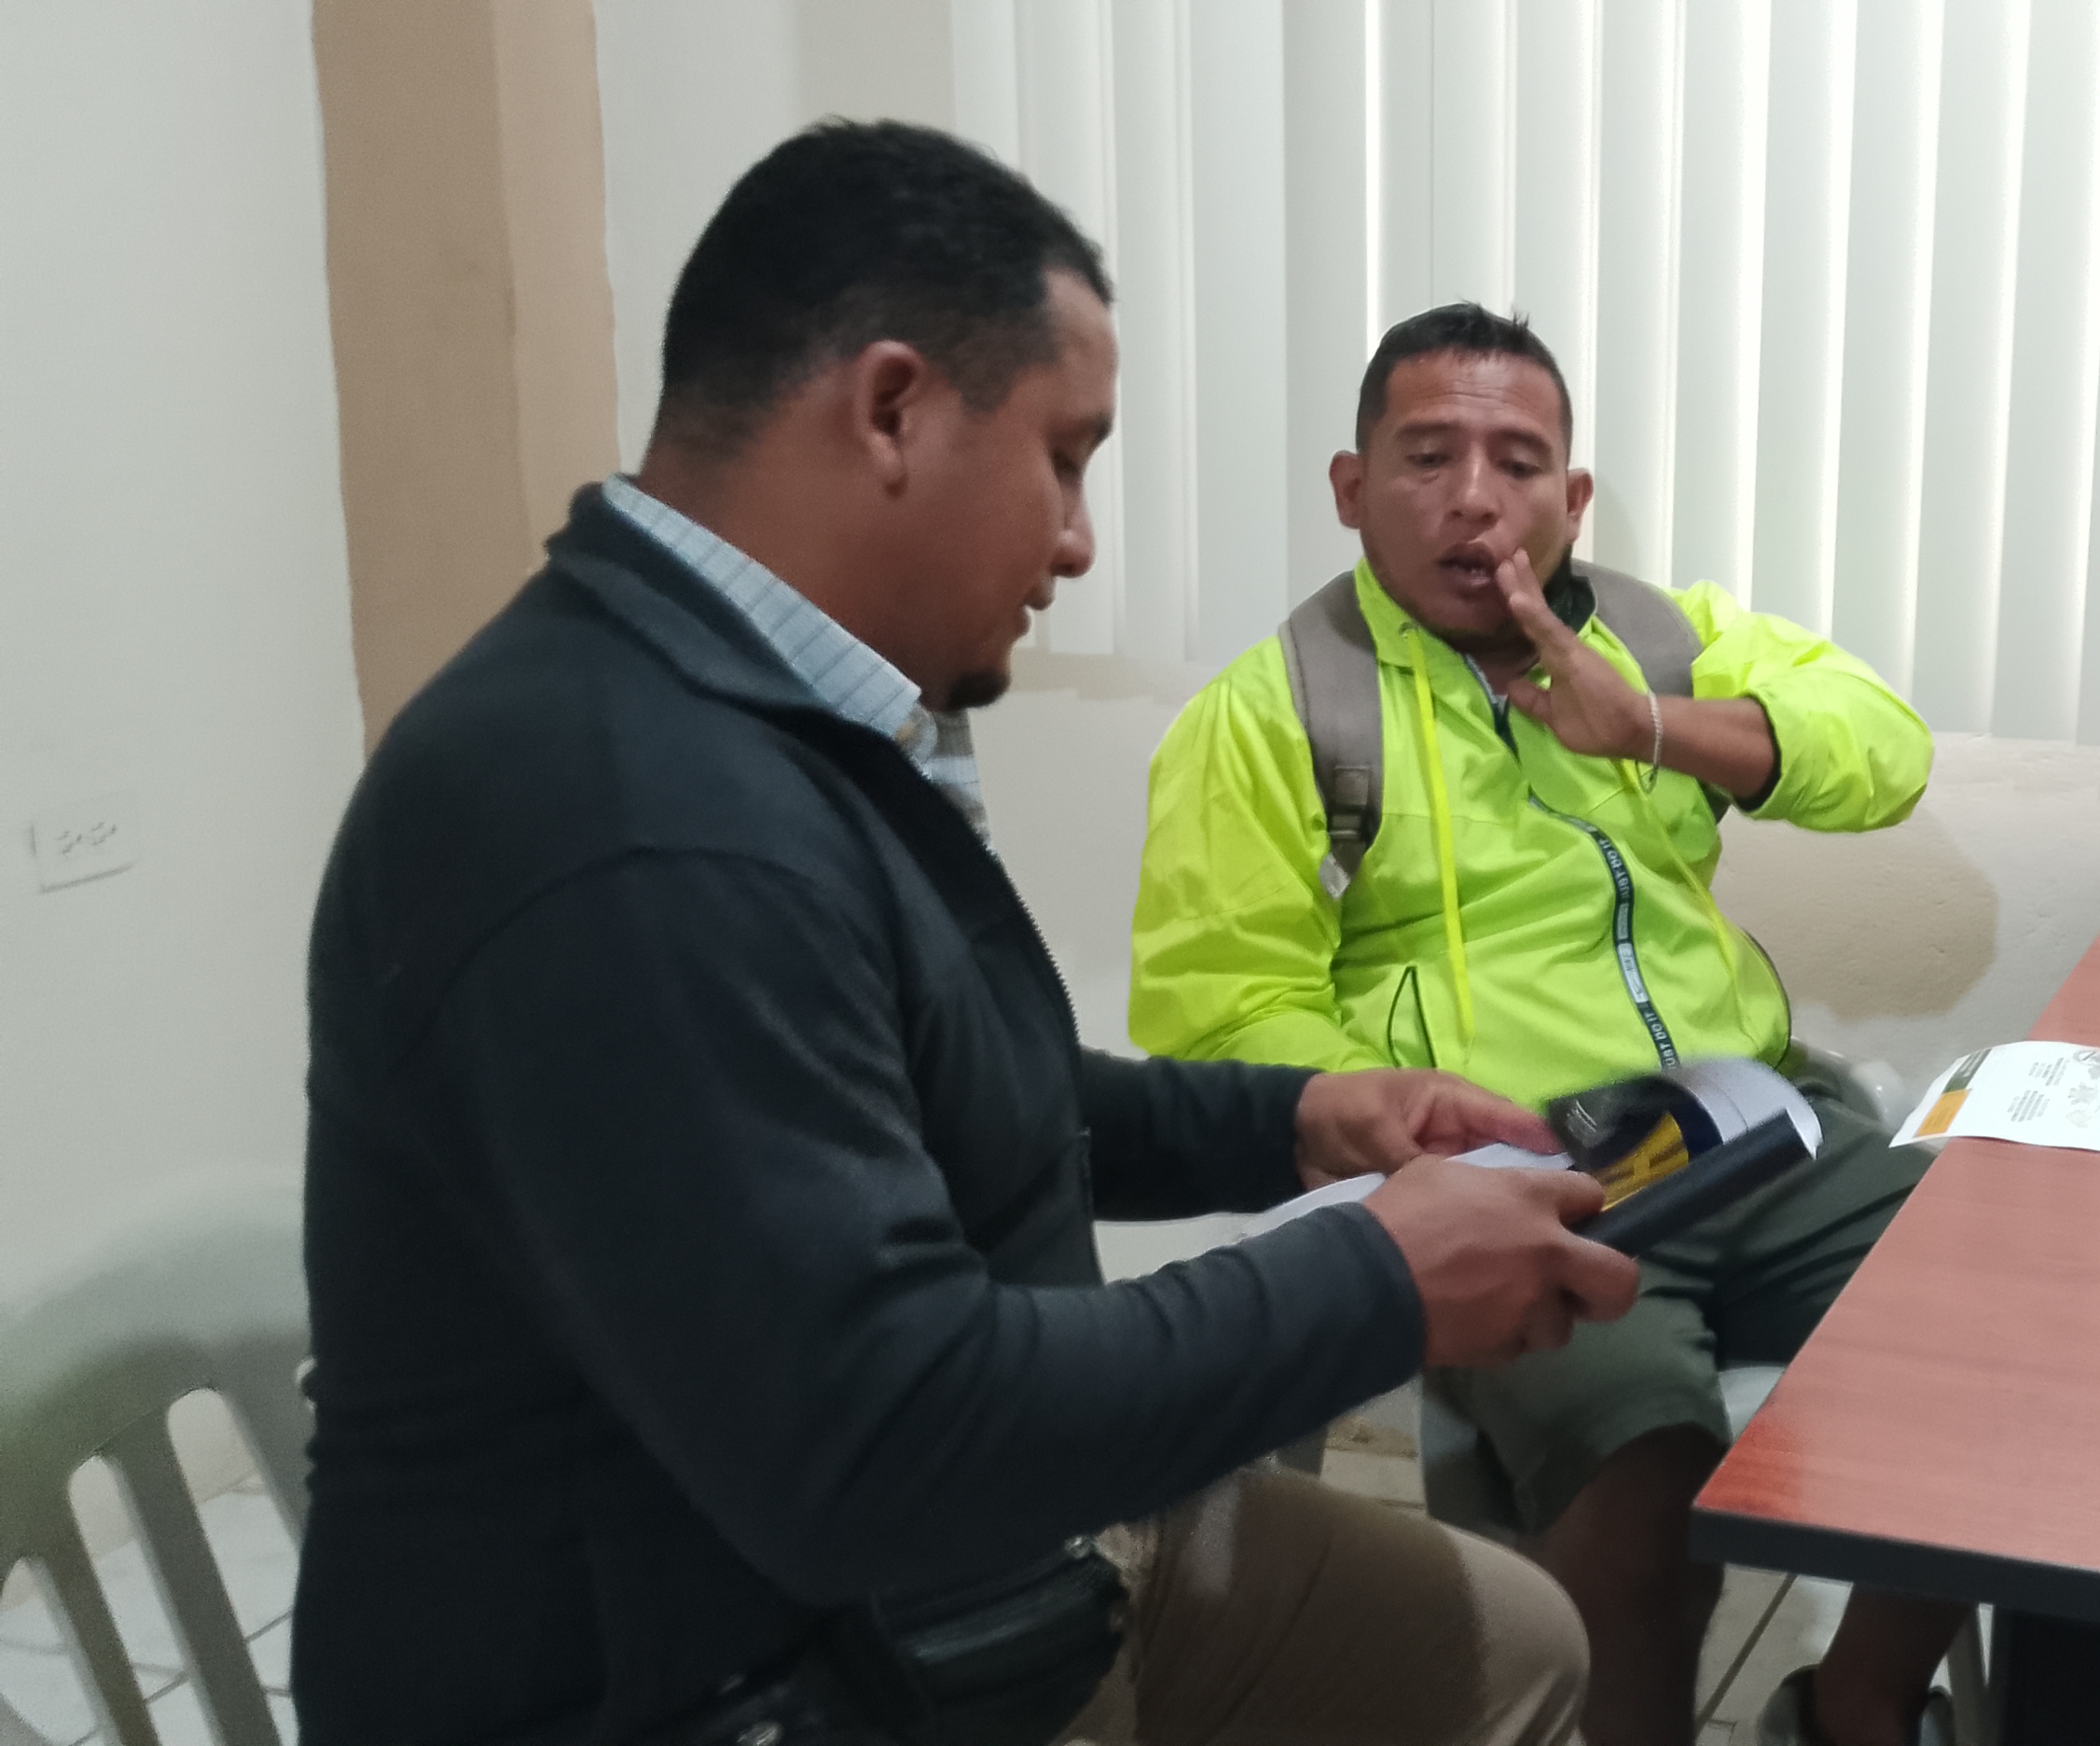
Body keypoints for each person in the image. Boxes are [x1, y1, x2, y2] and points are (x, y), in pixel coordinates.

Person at [296, 121, 1640, 1746]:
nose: (1078, 541)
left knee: (1514, 1641)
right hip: (746, 1670)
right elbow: (887, 1441)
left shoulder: (777, 716)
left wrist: (1298, 1120)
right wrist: (1377, 1277)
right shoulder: (626, 819)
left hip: (950, 1577)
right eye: (1064, 458)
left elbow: (954, 1085)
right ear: (892, 411)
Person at [1127, 303, 1963, 1746]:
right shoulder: (1271, 713)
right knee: (1645, 1483)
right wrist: (1431, 1147)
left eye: (1518, 464)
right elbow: (1224, 1015)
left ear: (1570, 499)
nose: (1475, 499)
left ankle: (1855, 1710)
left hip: (1751, 1118)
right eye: (1427, 457)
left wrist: (1650, 724)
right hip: (1523, 1171)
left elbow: (1886, 750)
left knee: (2011, 1337)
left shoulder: (1657, 640)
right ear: (1351, 488)